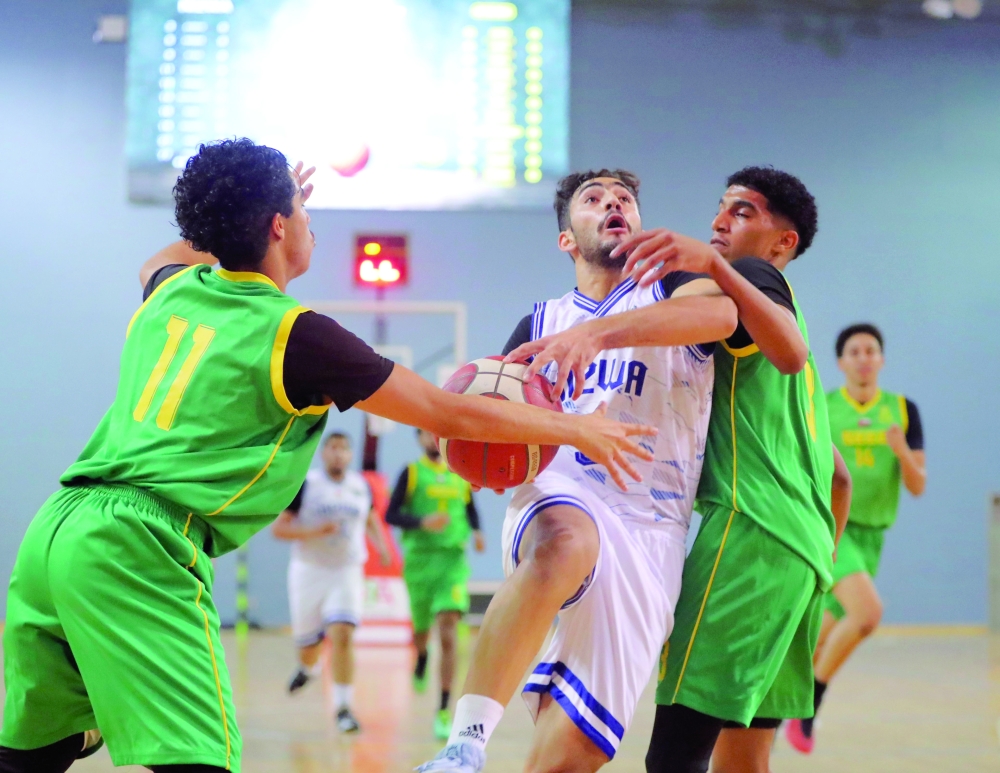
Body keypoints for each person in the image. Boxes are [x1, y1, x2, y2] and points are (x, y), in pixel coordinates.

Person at [0, 138, 654, 773]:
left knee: (31, 753)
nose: (311, 221)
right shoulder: (298, 333)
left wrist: (252, 209)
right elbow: (445, 412)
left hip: (56, 530)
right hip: (137, 544)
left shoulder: (172, 287)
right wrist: (575, 430)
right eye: (303, 210)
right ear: (280, 226)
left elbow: (165, 255)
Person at [417, 169, 739, 773]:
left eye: (625, 199)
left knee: (570, 756)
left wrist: (596, 335)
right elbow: (494, 422)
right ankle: (465, 744)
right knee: (566, 540)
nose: (614, 204)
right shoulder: (539, 324)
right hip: (563, 496)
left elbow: (721, 320)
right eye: (594, 199)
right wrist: (467, 439)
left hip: (653, 531)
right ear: (567, 239)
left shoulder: (678, 288)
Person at [593, 166, 851, 773]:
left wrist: (595, 332)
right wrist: (819, 562)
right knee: (745, 760)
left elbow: (784, 349)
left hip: (747, 537)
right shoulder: (795, 347)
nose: (718, 221)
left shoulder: (750, 282)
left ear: (781, 243)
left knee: (674, 757)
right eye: (720, 208)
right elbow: (840, 478)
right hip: (805, 560)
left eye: (741, 212)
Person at [785, 323, 926, 754]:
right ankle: (810, 706)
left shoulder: (903, 410)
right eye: (854, 351)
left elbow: (918, 485)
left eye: (871, 350)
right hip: (832, 528)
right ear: (841, 362)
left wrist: (901, 451)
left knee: (816, 641)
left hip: (871, 539)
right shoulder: (823, 408)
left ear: (881, 359)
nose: (864, 358)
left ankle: (767, 718)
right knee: (867, 614)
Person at [271, 431, 391, 733]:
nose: (338, 453)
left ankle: (343, 708)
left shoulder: (360, 486)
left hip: (346, 570)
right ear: (324, 453)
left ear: (350, 455)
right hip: (309, 571)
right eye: (333, 448)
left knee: (342, 633)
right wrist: (315, 532)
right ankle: (307, 668)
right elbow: (279, 530)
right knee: (309, 646)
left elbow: (371, 517)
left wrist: (383, 546)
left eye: (344, 448)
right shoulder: (307, 485)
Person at [384, 428, 486, 740]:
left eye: (436, 434)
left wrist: (477, 531)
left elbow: (469, 508)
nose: (431, 439)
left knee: (448, 631)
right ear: (419, 439)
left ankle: (443, 709)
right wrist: (421, 522)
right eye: (425, 434)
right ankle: (422, 656)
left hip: (452, 562)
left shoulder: (461, 472)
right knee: (421, 631)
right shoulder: (411, 473)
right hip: (420, 563)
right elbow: (391, 515)